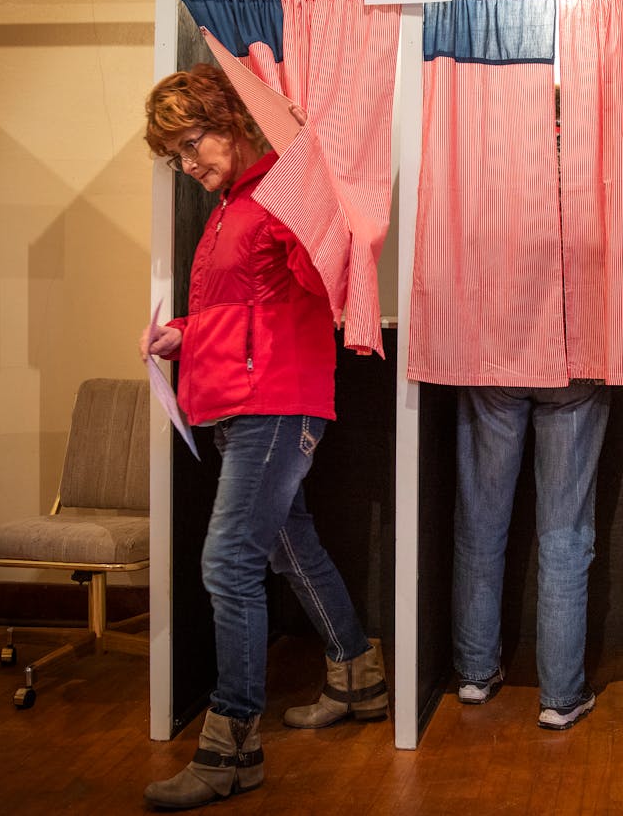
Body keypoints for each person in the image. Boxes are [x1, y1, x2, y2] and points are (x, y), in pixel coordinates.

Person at [140, 64, 386, 810]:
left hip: (277, 402)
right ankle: (358, 675)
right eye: (177, 155)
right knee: (286, 545)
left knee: (228, 561)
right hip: (236, 401)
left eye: (194, 143)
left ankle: (231, 746)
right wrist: (181, 332)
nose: (190, 165)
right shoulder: (227, 209)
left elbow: (328, 277)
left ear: (231, 120)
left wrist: (312, 172)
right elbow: (238, 310)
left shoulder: (280, 198)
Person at [453, 383, 610, 731]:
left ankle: (475, 675)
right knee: (565, 534)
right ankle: (561, 697)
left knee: (480, 523)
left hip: (492, 351)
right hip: (573, 359)